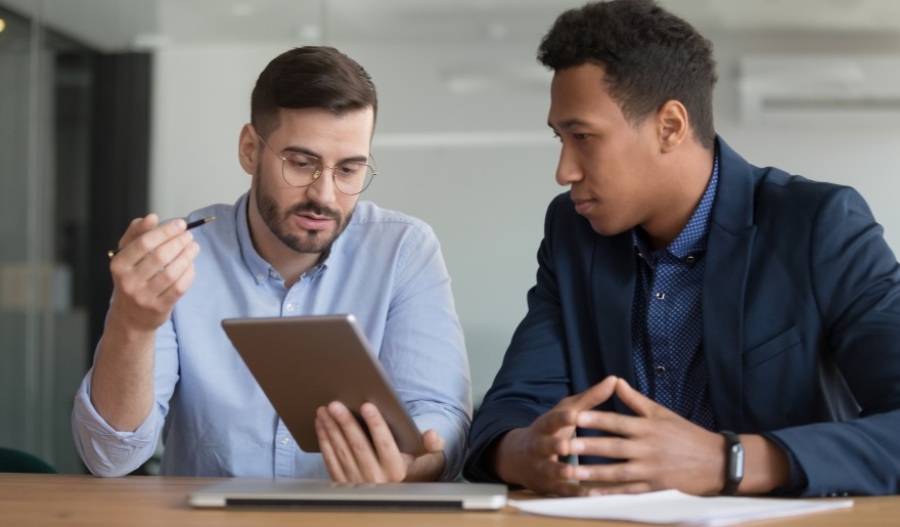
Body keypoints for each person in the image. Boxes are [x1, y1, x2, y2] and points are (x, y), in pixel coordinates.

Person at [463, 0, 900, 497]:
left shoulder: (821, 225)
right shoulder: (572, 233)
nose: (564, 171)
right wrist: (526, 453)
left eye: (583, 137)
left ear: (670, 126)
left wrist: (728, 461)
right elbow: (509, 410)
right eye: (560, 138)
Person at [72, 46, 472, 482]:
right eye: (301, 164)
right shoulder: (175, 256)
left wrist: (413, 464)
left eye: (349, 170)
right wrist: (133, 325)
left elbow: (440, 416)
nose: (325, 195)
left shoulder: (403, 250)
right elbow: (109, 458)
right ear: (249, 149)